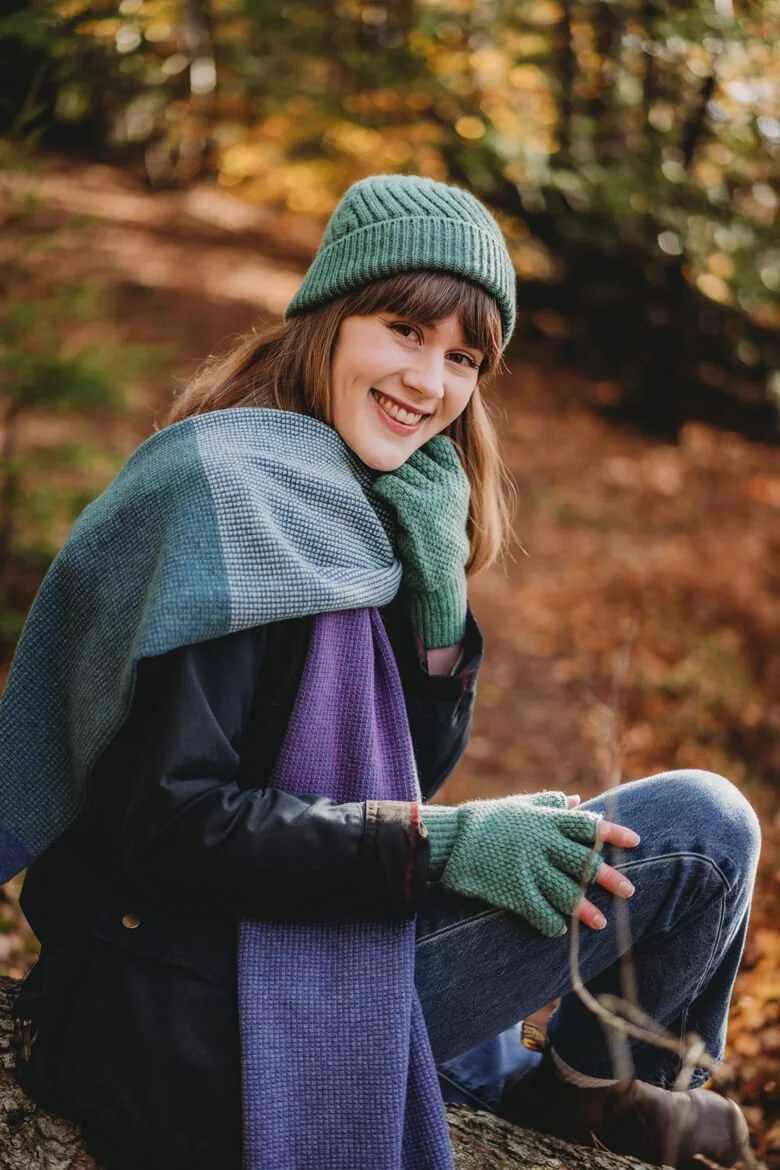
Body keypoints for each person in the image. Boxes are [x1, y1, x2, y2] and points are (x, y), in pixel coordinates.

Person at [1, 174, 759, 1170]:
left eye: (462, 358)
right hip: (205, 991)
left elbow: (401, 768)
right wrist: (440, 849)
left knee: (636, 838)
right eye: (403, 330)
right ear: (328, 316)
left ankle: (586, 1090)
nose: (429, 381)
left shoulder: (340, 495)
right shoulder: (228, 499)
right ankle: (600, 1097)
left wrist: (437, 606)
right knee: (703, 834)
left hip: (289, 944)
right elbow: (170, 822)